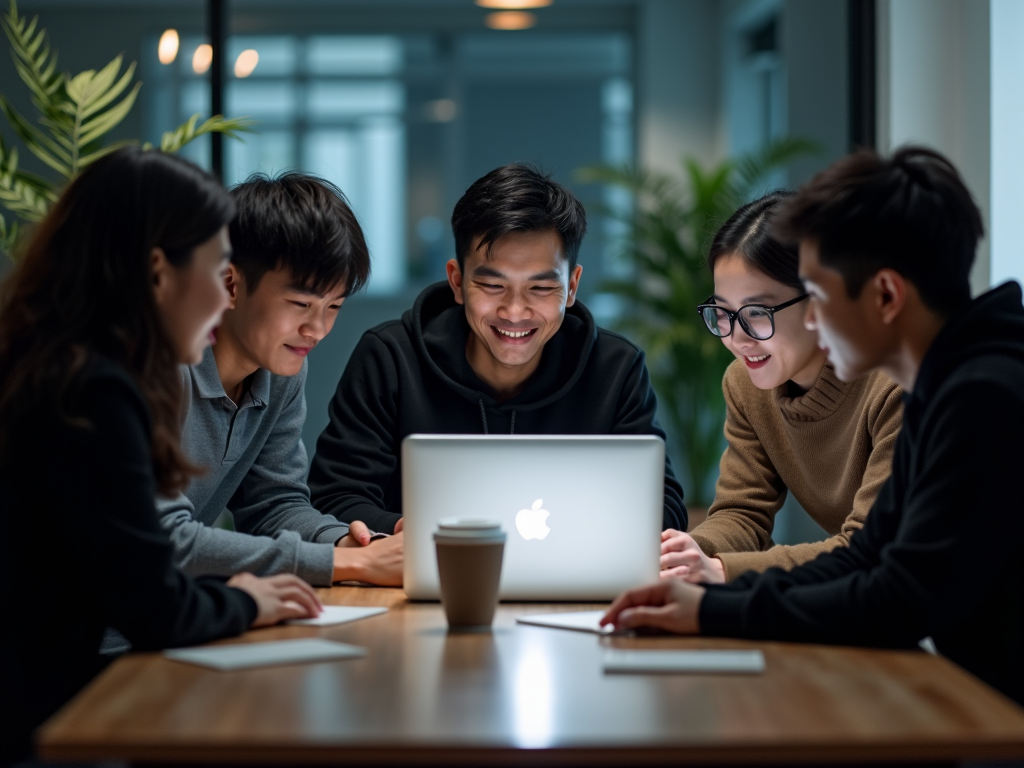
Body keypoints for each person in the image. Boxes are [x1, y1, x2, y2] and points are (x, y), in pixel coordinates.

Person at [602, 146, 1024, 707]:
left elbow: (899, 597)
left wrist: (712, 603)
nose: (814, 322)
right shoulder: (947, 379)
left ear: (886, 295)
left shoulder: (983, 393)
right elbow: (866, 557)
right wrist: (703, 602)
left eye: (819, 297)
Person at [0, 149, 321, 762]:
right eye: (218, 268)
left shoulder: (55, 368)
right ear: (158, 272)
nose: (226, 293)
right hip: (42, 722)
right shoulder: (94, 393)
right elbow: (154, 604)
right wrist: (250, 598)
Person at [308, 164, 687, 533]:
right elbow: (335, 498)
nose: (515, 311)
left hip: (576, 586)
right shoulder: (390, 358)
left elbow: (663, 508)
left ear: (572, 287)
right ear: (457, 281)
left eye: (540, 288)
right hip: (422, 582)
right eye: (492, 286)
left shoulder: (615, 369)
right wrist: (420, 536)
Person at [155, 174, 402, 589]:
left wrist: (348, 544)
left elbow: (273, 505)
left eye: (333, 306)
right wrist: (347, 566)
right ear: (230, 284)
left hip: (171, 616)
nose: (318, 329)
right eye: (301, 303)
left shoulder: (281, 372)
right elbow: (163, 538)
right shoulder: (158, 367)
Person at [660, 192, 902, 583]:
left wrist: (721, 570)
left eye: (757, 313)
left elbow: (869, 547)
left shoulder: (895, 385)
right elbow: (743, 513)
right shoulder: (746, 383)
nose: (737, 338)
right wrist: (685, 554)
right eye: (723, 312)